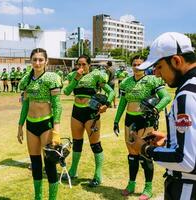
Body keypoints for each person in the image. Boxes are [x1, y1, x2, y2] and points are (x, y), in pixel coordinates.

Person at [130, 32, 196, 200]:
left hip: (187, 187)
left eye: (159, 67)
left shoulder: (187, 95)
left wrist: (145, 148)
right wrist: (169, 139)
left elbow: (186, 160)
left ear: (176, 61)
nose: (157, 74)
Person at [113, 54, 171, 199]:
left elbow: (166, 97)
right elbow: (122, 103)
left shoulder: (152, 79)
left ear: (146, 66)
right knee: (132, 154)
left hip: (145, 120)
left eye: (140, 64)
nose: (137, 67)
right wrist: (116, 120)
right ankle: (131, 184)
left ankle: (148, 188)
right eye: (134, 64)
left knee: (145, 154)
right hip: (129, 119)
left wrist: (155, 109)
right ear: (131, 65)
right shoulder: (126, 82)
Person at [63, 54, 115, 187]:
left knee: (95, 144)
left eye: (83, 64)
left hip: (91, 113)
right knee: (77, 142)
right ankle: (73, 170)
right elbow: (67, 91)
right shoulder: (73, 76)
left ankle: (98, 175)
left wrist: (107, 104)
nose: (81, 67)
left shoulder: (96, 75)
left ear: (89, 65)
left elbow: (111, 92)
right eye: (78, 64)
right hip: (76, 112)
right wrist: (76, 78)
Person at [17, 48, 62, 200]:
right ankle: (38, 197)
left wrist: (56, 129)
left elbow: (57, 105)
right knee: (35, 163)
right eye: (34, 59)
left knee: (49, 163)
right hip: (31, 125)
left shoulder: (52, 78)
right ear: (31, 61)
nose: (37, 63)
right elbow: (25, 104)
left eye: (40, 60)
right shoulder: (26, 80)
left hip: (46, 124)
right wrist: (20, 126)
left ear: (46, 61)